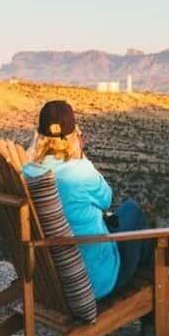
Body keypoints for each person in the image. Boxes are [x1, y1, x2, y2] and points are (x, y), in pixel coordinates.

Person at [22, 100, 151, 300]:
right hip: (95, 280)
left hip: (50, 276)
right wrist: (81, 157)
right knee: (133, 211)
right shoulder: (79, 171)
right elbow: (107, 199)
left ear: (39, 135)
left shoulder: (28, 172)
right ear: (74, 135)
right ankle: (152, 307)